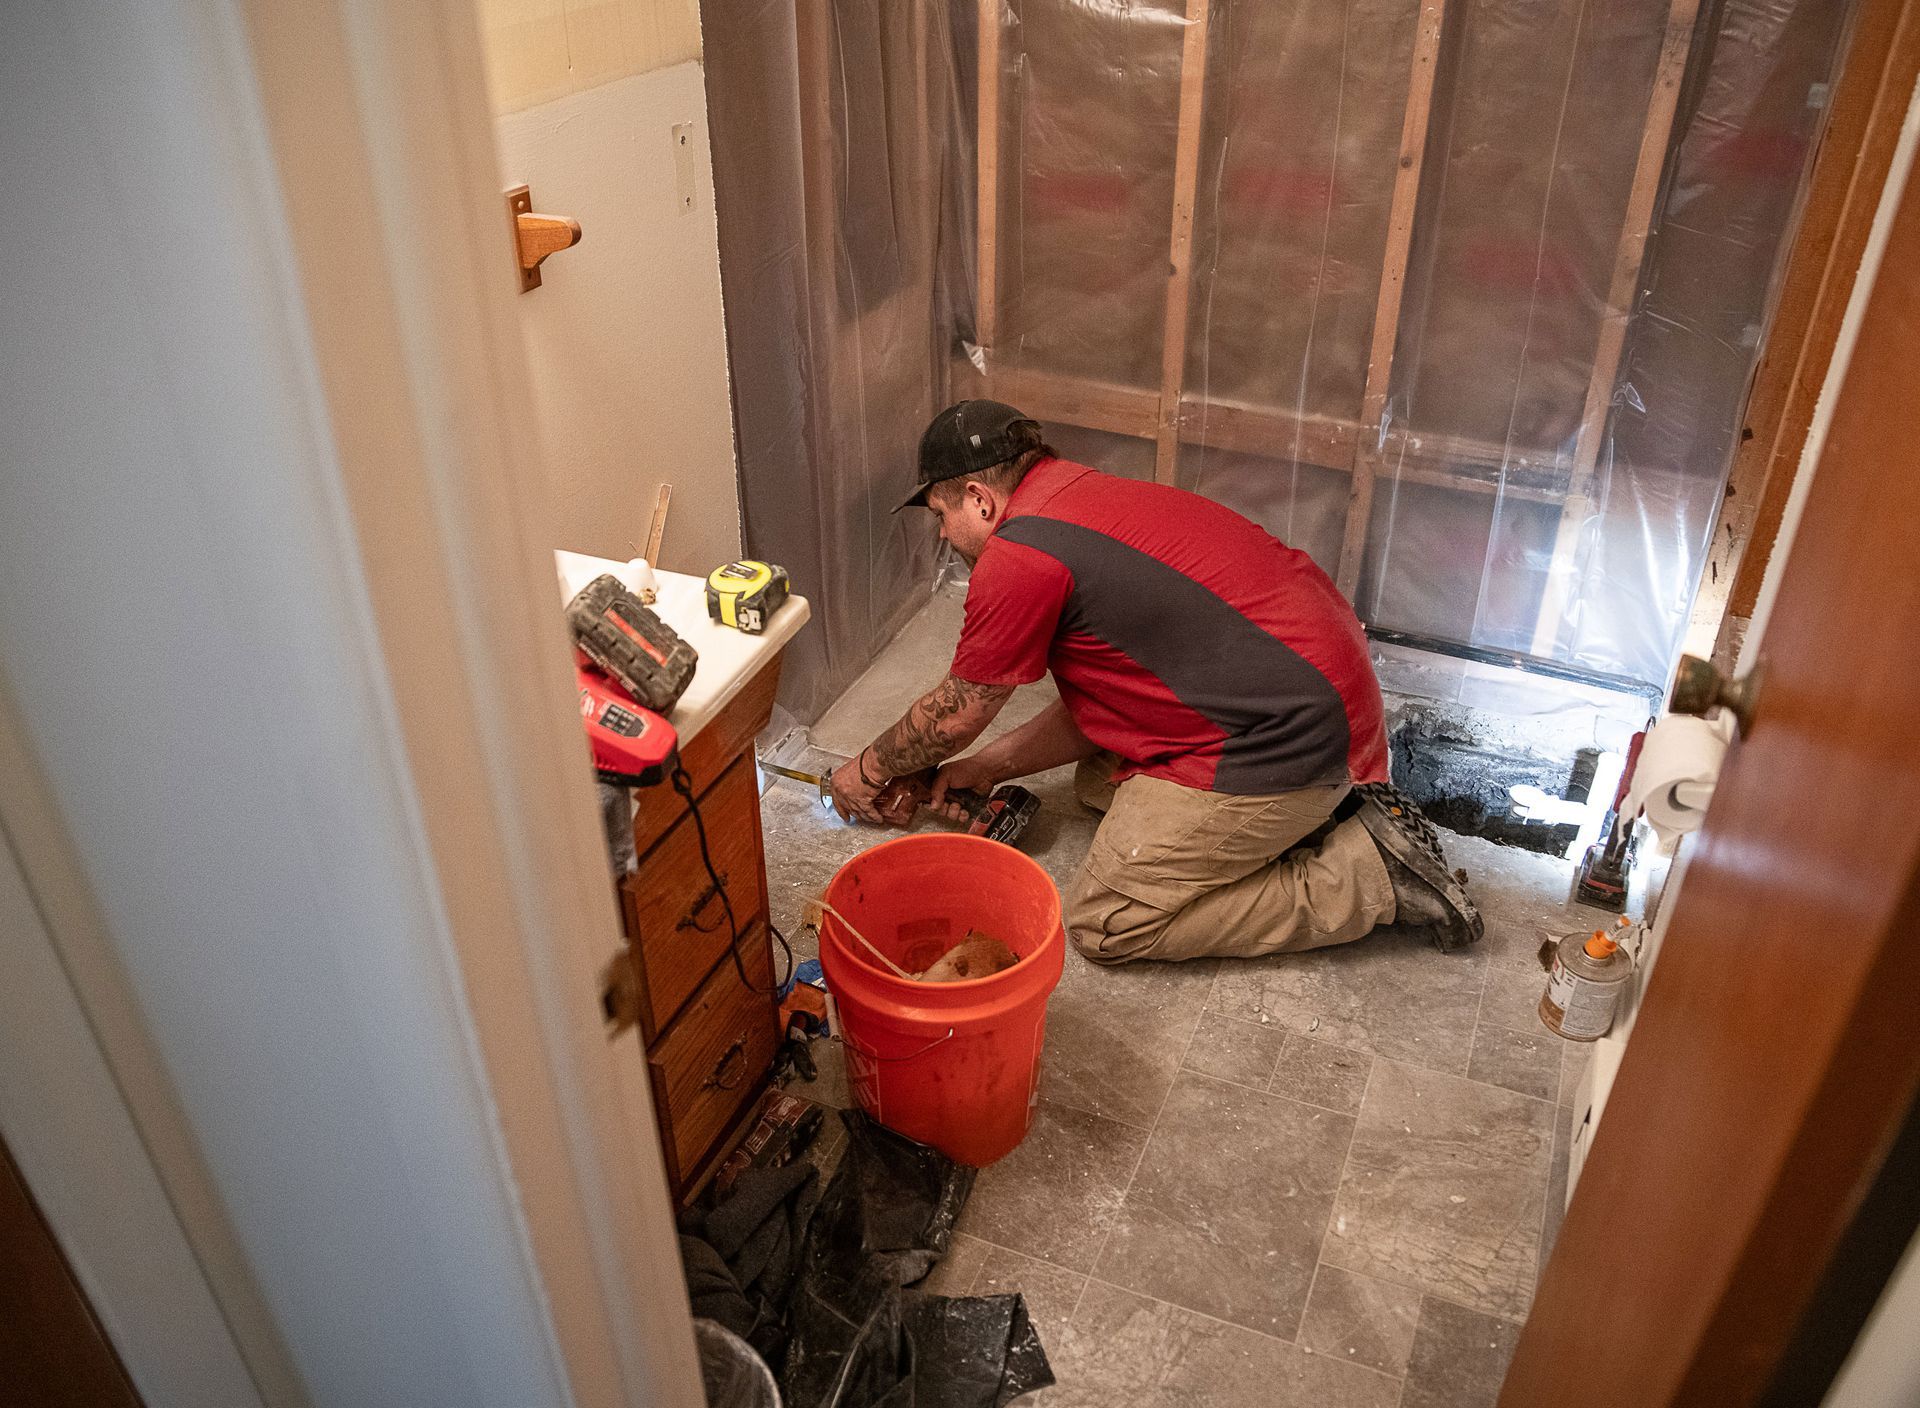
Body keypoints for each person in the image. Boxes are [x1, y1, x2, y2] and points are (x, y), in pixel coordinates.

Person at [828, 399, 1481, 962]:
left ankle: (1372, 872)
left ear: (979, 498)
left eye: (941, 514)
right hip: (1309, 685)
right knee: (1096, 784)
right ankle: (1302, 816)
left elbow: (955, 712)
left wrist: (865, 770)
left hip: (1291, 734)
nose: (943, 533)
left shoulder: (1020, 554)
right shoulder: (1075, 494)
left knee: (1106, 922)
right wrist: (988, 767)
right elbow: (1104, 700)